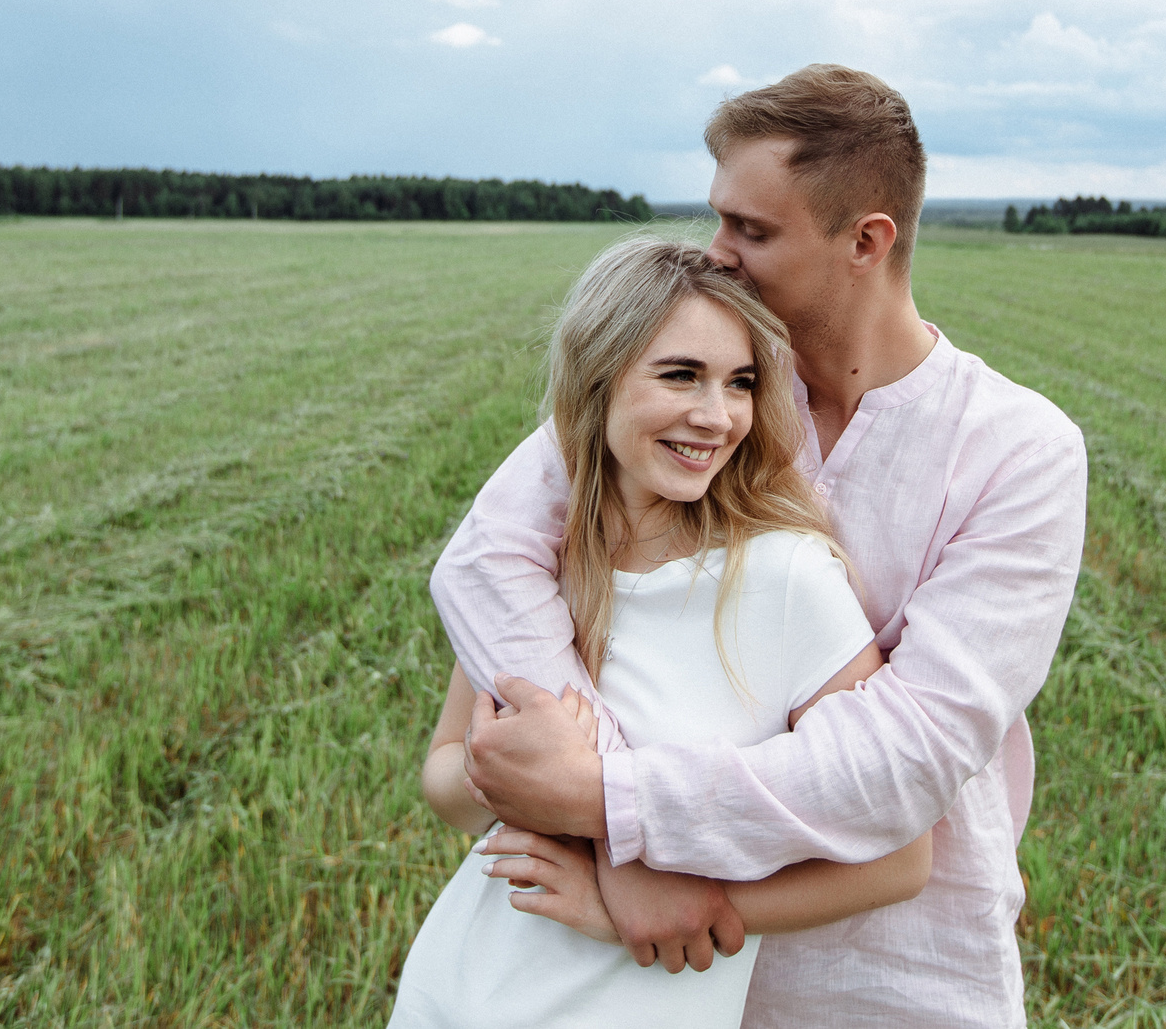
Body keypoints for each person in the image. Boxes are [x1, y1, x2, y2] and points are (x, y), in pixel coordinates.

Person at [430, 65, 1088, 1029]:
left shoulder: (1017, 452)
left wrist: (610, 803)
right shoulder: (704, 396)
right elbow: (486, 556)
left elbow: (898, 761)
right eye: (719, 219)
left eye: (753, 229)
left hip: (894, 982)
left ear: (866, 241)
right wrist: (600, 821)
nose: (718, 254)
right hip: (649, 990)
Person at [389, 237, 936, 1029]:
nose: (716, 416)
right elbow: (445, 779)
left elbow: (899, 856)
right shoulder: (538, 574)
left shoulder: (786, 579)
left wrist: (657, 901)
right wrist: (504, 778)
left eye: (740, 382)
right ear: (598, 380)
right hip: (463, 988)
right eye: (681, 374)